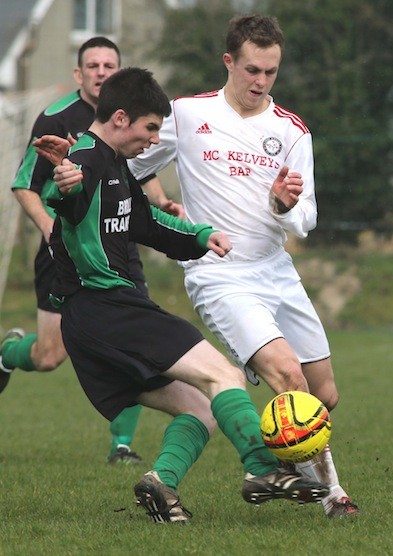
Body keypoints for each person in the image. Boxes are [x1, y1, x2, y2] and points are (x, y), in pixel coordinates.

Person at [37, 66, 329, 524]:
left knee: (202, 409)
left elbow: (148, 224)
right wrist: (63, 184)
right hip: (107, 308)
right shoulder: (87, 160)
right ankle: (263, 468)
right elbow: (67, 199)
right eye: (151, 128)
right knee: (225, 376)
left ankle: (161, 482)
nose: (155, 140)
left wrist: (199, 236)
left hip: (92, 324)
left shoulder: (112, 164)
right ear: (119, 118)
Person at [124, 14, 359, 518]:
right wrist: (152, 203)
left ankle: (272, 450)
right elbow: (131, 163)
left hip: (276, 269)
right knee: (288, 376)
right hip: (219, 272)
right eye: (252, 69)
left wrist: (282, 205)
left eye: (270, 72)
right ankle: (334, 498)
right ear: (228, 61)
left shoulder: (292, 132)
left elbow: (307, 220)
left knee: (323, 396)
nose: (260, 82)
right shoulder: (186, 115)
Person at [0, 36, 181, 465]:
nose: (102, 72)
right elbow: (25, 184)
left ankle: (122, 445)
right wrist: (50, 229)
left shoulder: (128, 118)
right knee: (49, 356)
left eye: (110, 65)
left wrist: (160, 203)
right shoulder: (56, 117)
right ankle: (8, 353)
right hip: (64, 252)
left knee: (133, 339)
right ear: (79, 73)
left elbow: (135, 170)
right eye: (93, 65)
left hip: (117, 246)